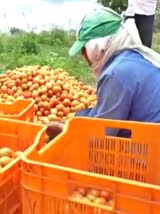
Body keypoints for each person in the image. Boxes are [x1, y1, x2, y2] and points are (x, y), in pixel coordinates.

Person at [46, 7, 160, 138]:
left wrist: (65, 131)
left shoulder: (116, 74)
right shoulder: (133, 58)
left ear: (96, 46)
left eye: (84, 50)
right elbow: (105, 115)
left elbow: (101, 136)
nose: (83, 56)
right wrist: (76, 119)